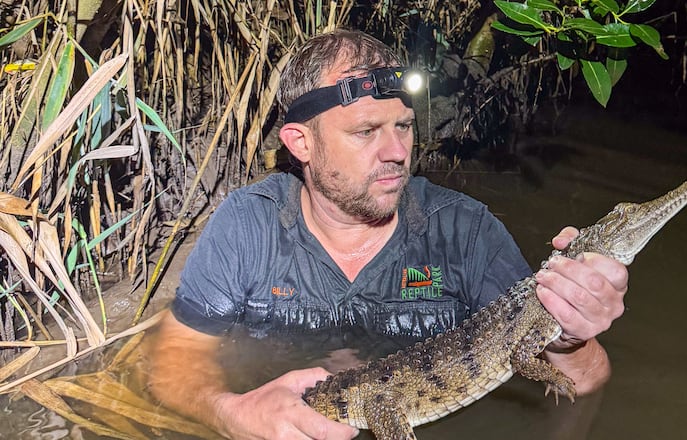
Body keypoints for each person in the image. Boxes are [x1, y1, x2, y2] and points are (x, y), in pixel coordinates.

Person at [146, 29, 628, 440]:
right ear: (301, 143)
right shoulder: (247, 224)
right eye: (365, 131)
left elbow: (588, 382)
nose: (397, 150)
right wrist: (233, 413)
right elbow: (172, 362)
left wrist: (570, 337)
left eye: (404, 126)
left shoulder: (465, 231)